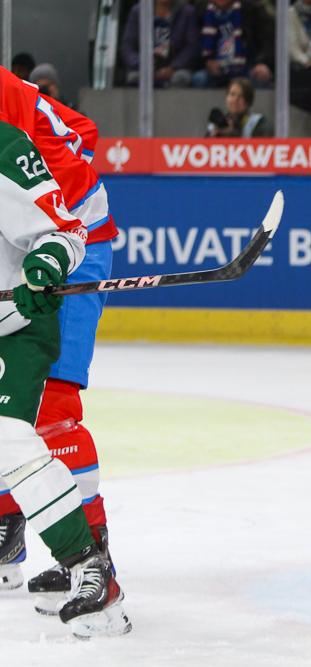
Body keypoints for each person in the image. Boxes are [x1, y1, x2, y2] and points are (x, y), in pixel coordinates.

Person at [0, 66, 126, 630]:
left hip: (73, 243)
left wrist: (46, 202)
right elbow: (81, 130)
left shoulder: (5, 105)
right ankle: (8, 529)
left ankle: (93, 558)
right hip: (26, 240)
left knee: (50, 408)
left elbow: (76, 138)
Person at [122, 0, 200, 87]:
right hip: (143, 68)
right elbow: (128, 46)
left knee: (181, 78)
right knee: (134, 78)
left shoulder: (187, 11)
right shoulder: (138, 11)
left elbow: (192, 46)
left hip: (177, 69)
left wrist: (173, 67)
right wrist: (141, 64)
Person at [207, 77, 273, 137]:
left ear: (248, 101)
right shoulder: (218, 124)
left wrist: (233, 134)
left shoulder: (258, 123)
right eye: (232, 94)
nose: (235, 100)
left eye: (240, 96)